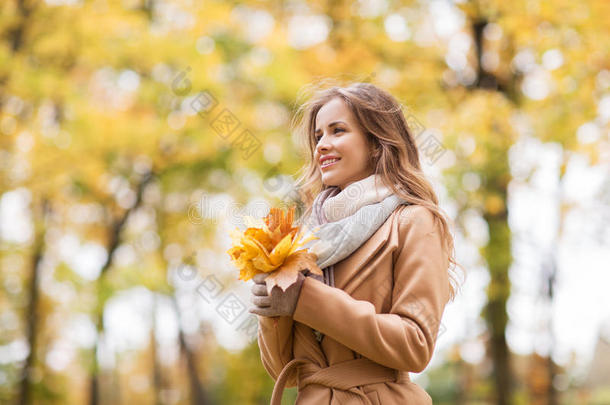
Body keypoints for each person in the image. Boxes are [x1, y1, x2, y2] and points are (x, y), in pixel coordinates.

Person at [249, 82, 464, 404]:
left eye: (338, 131)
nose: (322, 145)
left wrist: (305, 299)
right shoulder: (305, 239)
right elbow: (285, 370)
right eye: (318, 135)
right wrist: (272, 310)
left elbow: (415, 345)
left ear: (377, 143)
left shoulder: (413, 221)